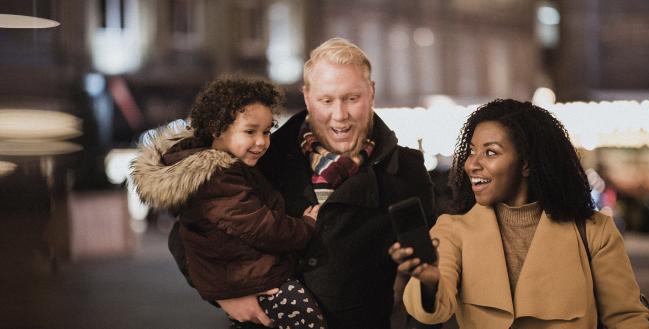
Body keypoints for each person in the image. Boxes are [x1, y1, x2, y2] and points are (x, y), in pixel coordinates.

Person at [167, 38, 435, 328]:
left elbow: (428, 267)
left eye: (351, 98)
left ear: (371, 92)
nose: (340, 114)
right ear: (307, 97)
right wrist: (225, 295)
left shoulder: (405, 169)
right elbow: (186, 236)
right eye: (326, 100)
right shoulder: (265, 155)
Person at [389, 99, 649, 328]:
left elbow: (627, 318)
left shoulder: (594, 232)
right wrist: (429, 282)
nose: (473, 164)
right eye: (471, 151)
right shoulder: (453, 230)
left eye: (490, 152)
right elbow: (435, 309)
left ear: (527, 163)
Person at [130, 77, 328, 329]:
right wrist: (307, 226)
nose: (261, 142)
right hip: (254, 282)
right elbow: (264, 228)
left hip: (248, 279)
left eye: (267, 131)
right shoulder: (217, 179)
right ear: (216, 129)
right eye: (250, 131)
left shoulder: (227, 169)